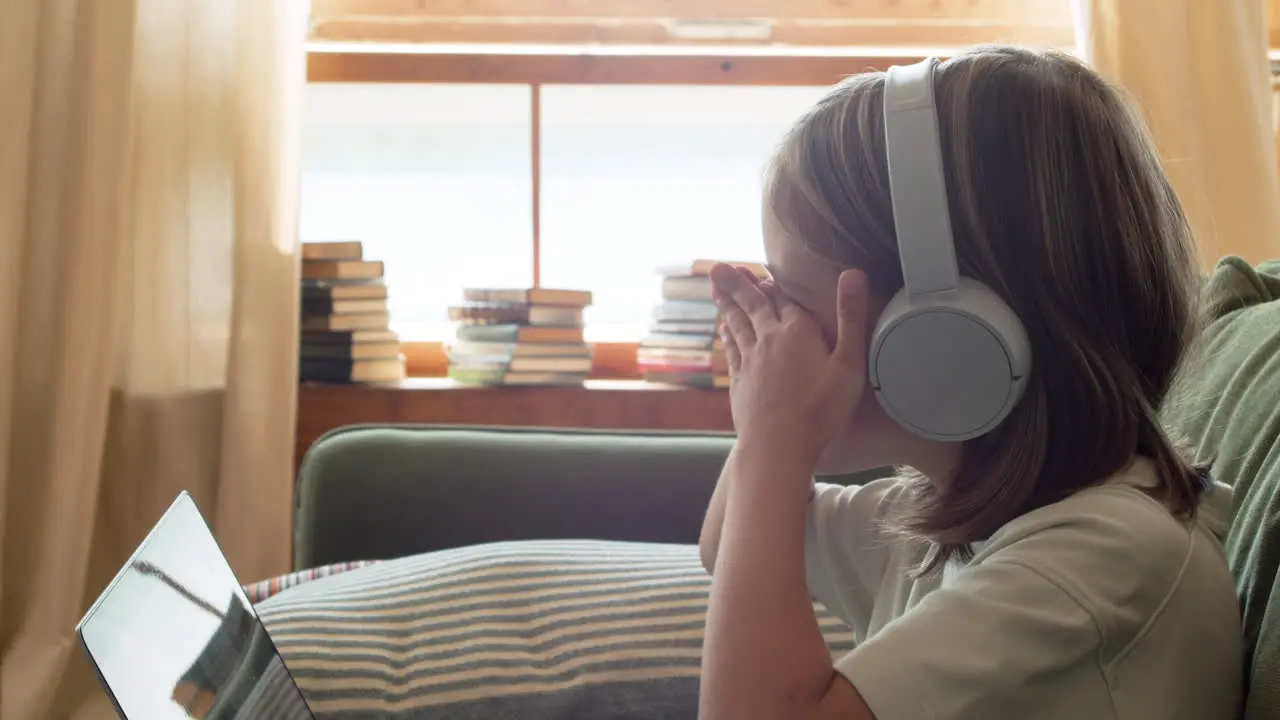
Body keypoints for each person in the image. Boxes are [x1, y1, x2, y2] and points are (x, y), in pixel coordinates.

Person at [696, 45, 1243, 720]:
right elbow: (725, 545)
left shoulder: (1104, 557)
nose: (778, 339)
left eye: (796, 303)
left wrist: (776, 438)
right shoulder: (950, 522)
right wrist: (766, 438)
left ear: (940, 334)